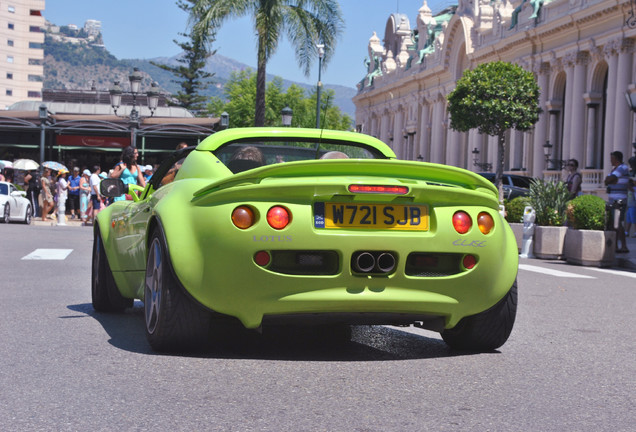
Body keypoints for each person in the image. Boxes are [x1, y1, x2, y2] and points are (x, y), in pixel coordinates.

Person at [604, 151, 630, 253]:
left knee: (618, 223)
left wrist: (611, 180)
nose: (610, 160)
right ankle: (615, 246)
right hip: (613, 199)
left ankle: (623, 246)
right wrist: (610, 180)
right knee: (613, 223)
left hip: (620, 200)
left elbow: (610, 179)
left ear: (617, 159)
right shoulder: (614, 169)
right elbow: (607, 180)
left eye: (612, 158)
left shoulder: (622, 168)